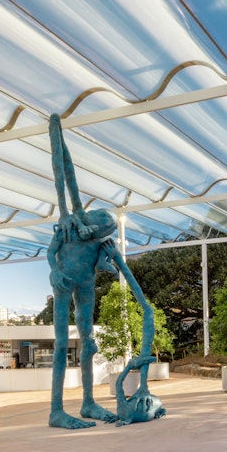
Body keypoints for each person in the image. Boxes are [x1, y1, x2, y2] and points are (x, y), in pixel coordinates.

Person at [46, 114, 162, 429]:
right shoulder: (73, 222)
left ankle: (87, 402)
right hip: (64, 283)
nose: (96, 231)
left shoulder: (95, 241)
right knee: (60, 343)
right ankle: (56, 410)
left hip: (86, 287)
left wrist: (110, 261)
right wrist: (56, 133)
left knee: (89, 342)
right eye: (99, 224)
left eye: (102, 231)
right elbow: (64, 173)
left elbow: (104, 267)